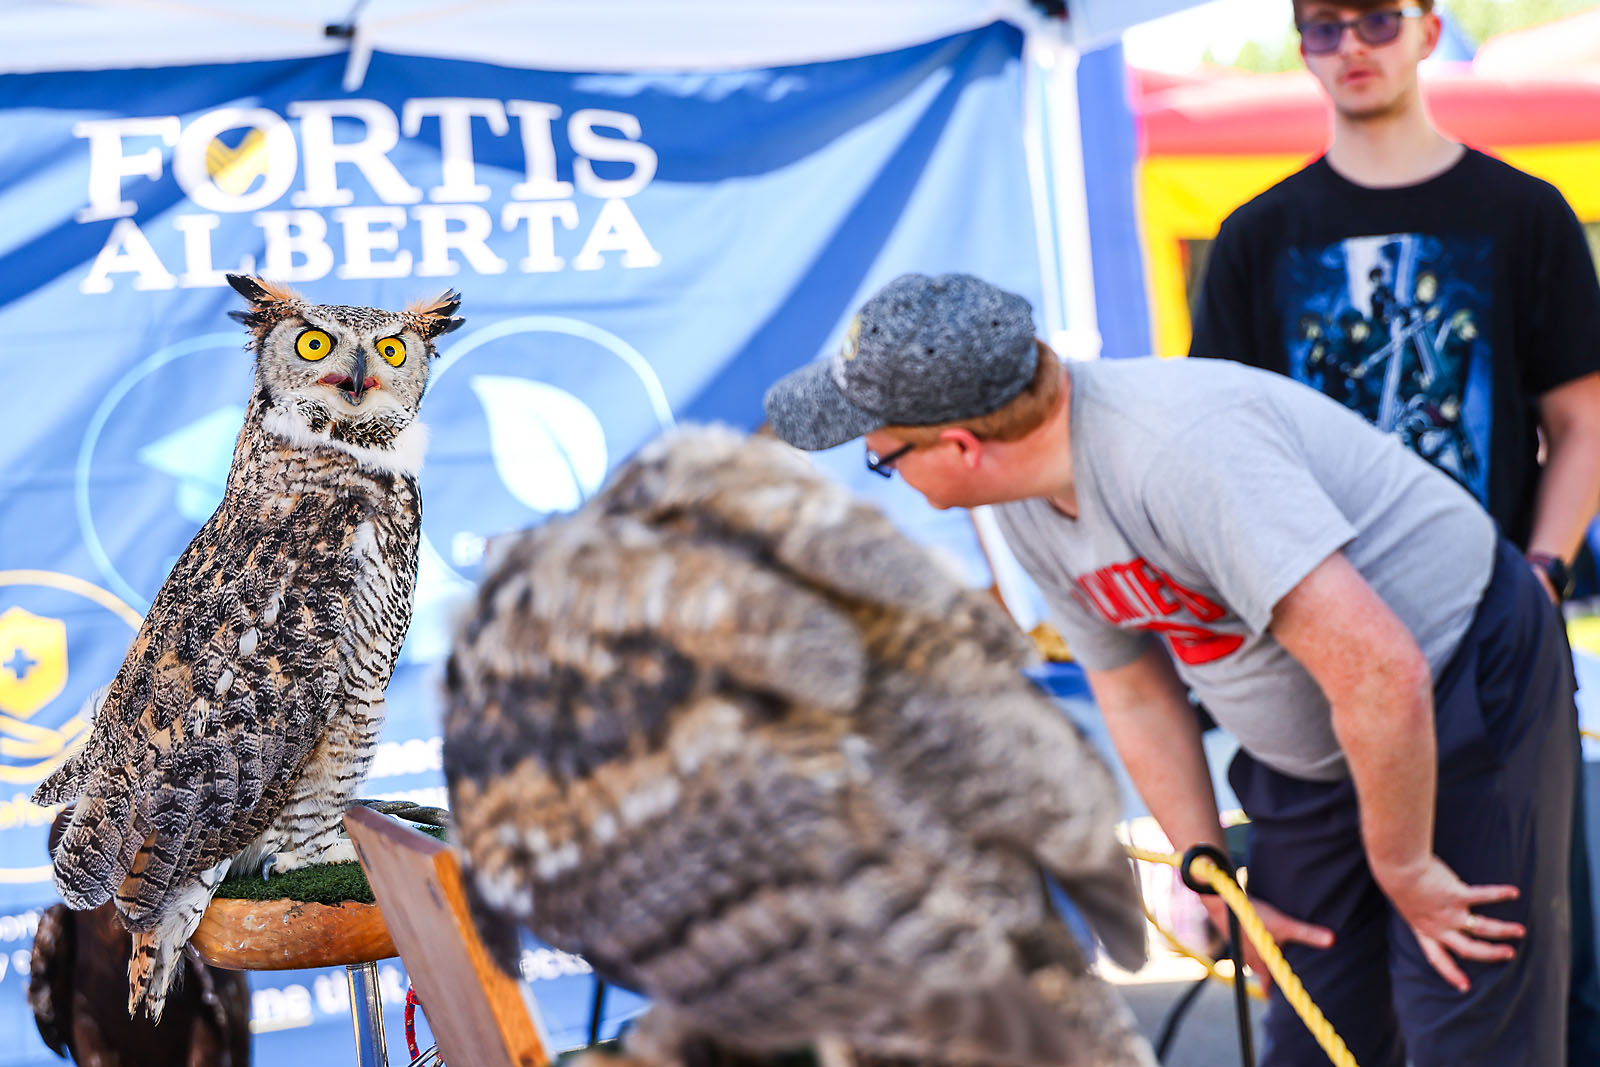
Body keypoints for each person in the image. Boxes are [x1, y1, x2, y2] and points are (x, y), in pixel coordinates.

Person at [764, 272, 1580, 1066]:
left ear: (963, 445)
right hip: (1318, 732)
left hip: (1456, 672)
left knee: (1460, 1005)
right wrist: (1207, 869)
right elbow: (1134, 688)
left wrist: (1402, 863)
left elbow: (1379, 671)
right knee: (1314, 1016)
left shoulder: (1178, 453)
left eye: (884, 457)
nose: (886, 467)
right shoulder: (1022, 499)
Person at [1187, 3, 1600, 1058]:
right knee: (1326, 975)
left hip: (1488, 645)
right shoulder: (1253, 238)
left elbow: (1580, 417)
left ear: (1426, 28)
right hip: (1316, 647)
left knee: (1516, 944)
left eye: (1373, 17)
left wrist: (1543, 567)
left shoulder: (1524, 212)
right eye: (1320, 26)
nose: (1350, 46)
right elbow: (1214, 446)